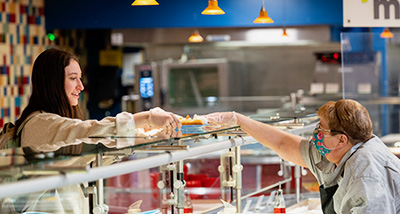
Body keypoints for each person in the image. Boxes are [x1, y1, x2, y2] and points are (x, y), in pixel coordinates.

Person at [0, 48, 182, 213]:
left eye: (80, 78)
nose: (81, 86)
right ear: (52, 83)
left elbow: (90, 157)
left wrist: (142, 139)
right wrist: (145, 118)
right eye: (73, 78)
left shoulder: (56, 123)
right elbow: (86, 131)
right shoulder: (38, 123)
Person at [204, 99, 400, 214]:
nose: (315, 136)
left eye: (321, 131)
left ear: (341, 140)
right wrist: (237, 120)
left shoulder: (366, 174)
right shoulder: (341, 152)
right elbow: (283, 144)